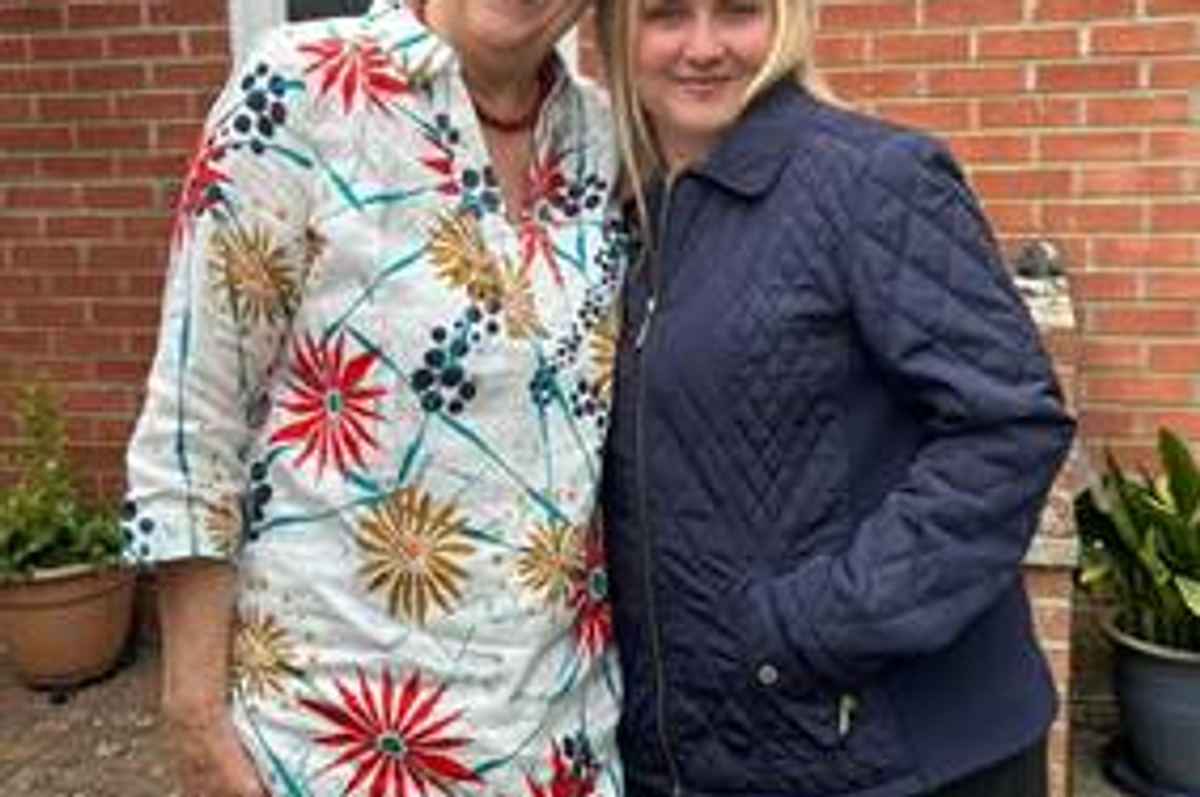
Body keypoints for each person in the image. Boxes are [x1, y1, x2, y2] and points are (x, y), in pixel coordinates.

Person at [123, 1, 629, 795]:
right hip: (330, 751)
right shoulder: (302, 88)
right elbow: (195, 421)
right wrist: (194, 719)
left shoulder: (607, 137)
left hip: (562, 747)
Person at [596, 1, 1076, 796]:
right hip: (705, 753)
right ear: (619, 34)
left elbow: (1008, 425)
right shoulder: (617, 215)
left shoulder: (871, 179)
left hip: (902, 749)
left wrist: (816, 626)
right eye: (667, 15)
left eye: (739, 12)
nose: (704, 47)